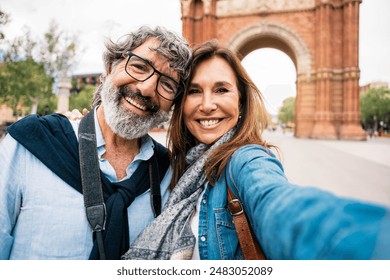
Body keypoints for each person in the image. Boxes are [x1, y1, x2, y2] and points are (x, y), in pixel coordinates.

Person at [122, 40, 390, 260]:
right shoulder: (181, 167)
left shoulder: (246, 159)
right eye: (194, 91)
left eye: (221, 90)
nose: (207, 104)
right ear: (182, 104)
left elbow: (277, 202)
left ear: (241, 103)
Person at [0, 25, 191, 260]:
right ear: (111, 67)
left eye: (167, 85)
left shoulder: (169, 175)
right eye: (140, 67)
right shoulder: (32, 145)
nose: (146, 88)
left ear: (173, 104)